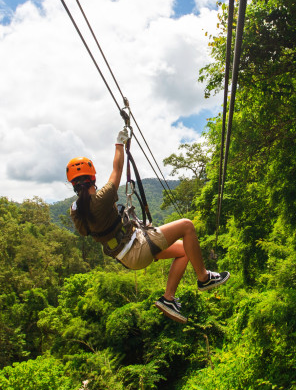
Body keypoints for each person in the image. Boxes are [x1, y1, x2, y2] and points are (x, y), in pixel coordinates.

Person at [66, 127, 230, 323]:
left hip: (126, 255)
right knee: (187, 226)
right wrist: (120, 143)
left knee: (185, 251)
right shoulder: (102, 198)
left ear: (73, 184)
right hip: (137, 248)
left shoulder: (75, 211)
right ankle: (204, 278)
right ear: (93, 177)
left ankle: (168, 299)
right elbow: (117, 169)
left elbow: (88, 230)